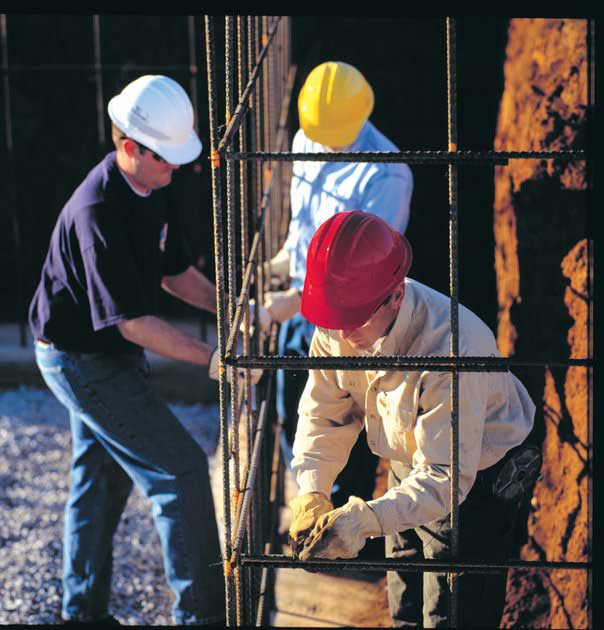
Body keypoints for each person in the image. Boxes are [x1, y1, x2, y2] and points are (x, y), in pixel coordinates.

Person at [28, 75, 260, 626]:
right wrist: (212, 360)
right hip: (78, 357)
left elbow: (175, 273)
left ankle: (80, 612)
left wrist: (231, 310)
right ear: (129, 146)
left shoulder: (151, 186)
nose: (176, 168)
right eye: (166, 157)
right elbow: (133, 325)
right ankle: (201, 618)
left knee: (99, 476)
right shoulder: (97, 213)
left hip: (102, 345)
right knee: (179, 472)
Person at [287, 210, 540, 628]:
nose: (343, 333)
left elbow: (445, 476)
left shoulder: (452, 348)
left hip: (475, 471)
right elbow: (324, 415)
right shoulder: (341, 319)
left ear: (397, 295)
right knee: (405, 588)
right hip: (406, 455)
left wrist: (367, 519)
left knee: (452, 607)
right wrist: (313, 489)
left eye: (355, 319)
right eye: (336, 318)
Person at [261, 61, 414, 508]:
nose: (321, 146)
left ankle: (347, 521)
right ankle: (312, 500)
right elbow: (303, 225)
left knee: (347, 414)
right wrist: (279, 266)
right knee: (297, 409)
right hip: (297, 310)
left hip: (350, 321)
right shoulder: (306, 137)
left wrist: (289, 302)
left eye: (333, 139)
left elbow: (365, 277)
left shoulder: (386, 175)